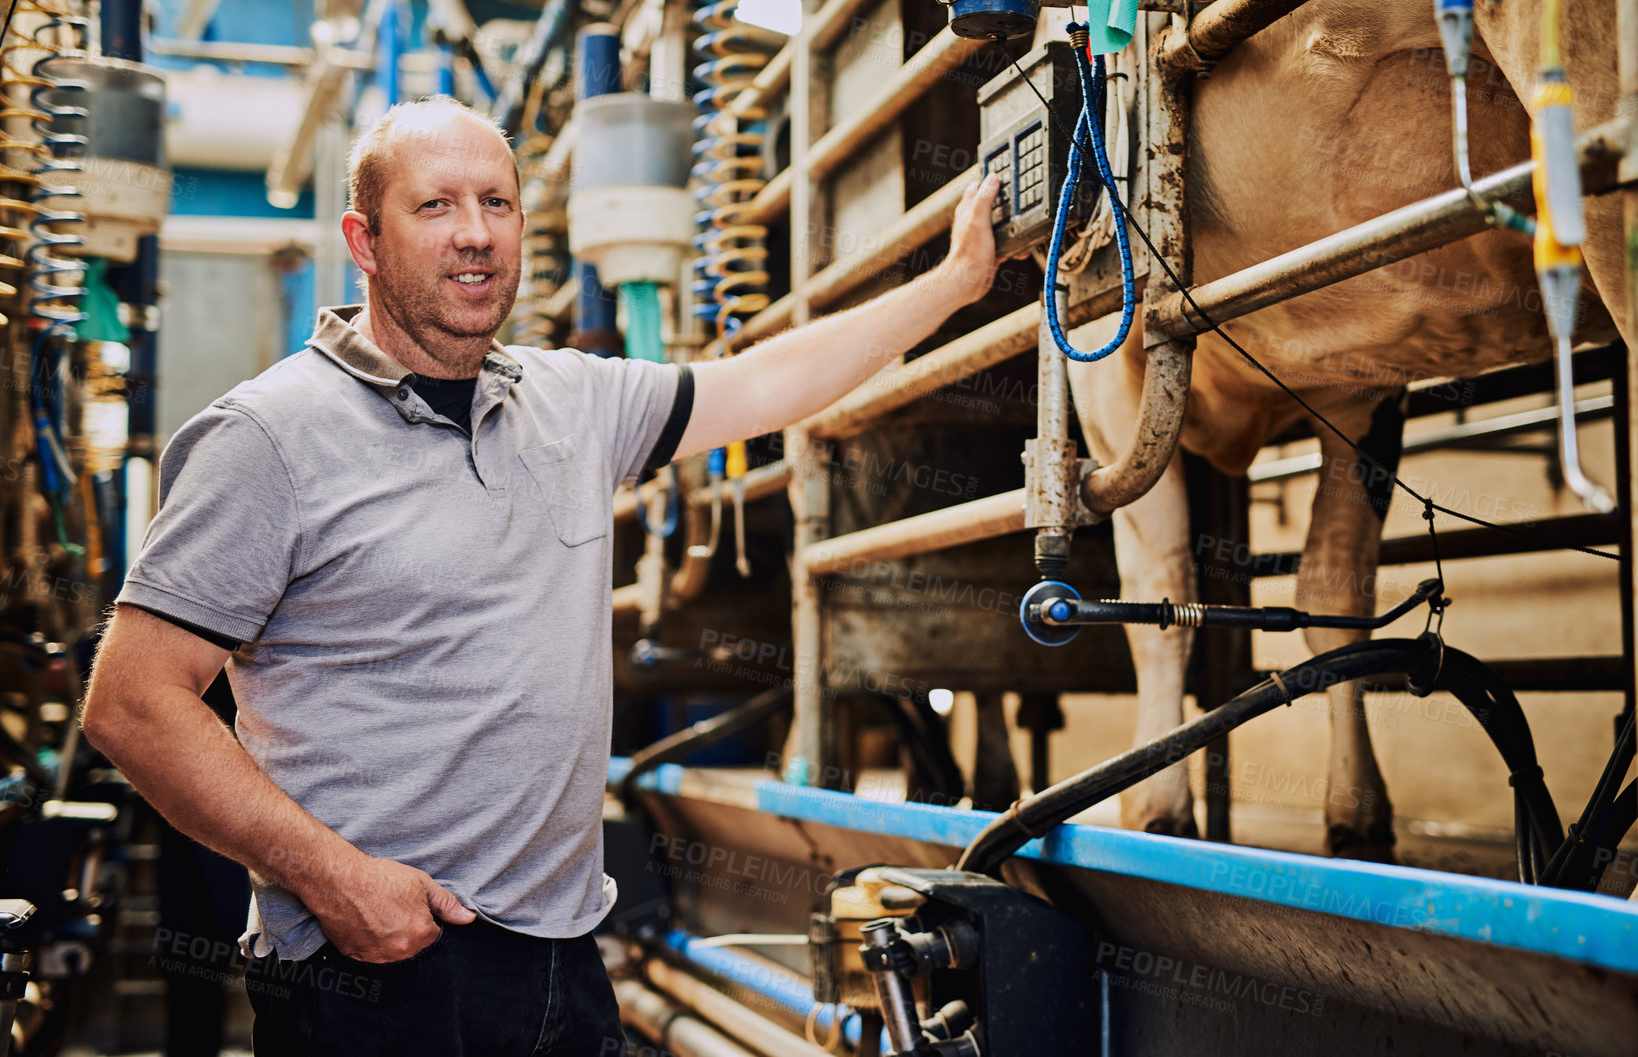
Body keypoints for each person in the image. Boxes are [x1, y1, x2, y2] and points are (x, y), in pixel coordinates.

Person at [80, 94, 1001, 1055]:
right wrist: (332, 878)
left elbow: (768, 384)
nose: (475, 235)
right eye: (435, 207)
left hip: (562, 959)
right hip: (376, 970)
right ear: (364, 237)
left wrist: (953, 284)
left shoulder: (570, 400)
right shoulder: (268, 436)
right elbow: (133, 701)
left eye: (497, 203)